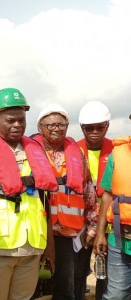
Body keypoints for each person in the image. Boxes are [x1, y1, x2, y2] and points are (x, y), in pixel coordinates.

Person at [0, 88, 58, 300]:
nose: (17, 125)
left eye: (21, 120)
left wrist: (50, 246)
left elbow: (45, 201)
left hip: (32, 246)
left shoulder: (35, 149)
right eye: (11, 120)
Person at [32, 103, 98, 300]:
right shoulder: (30, 153)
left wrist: (92, 227)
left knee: (65, 287)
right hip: (37, 230)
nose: (56, 128)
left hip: (68, 233)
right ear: (40, 127)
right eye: (50, 124)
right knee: (32, 287)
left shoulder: (77, 153)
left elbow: (89, 192)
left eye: (62, 124)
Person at [78, 101, 112, 300]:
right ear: (82, 127)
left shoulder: (117, 149)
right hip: (80, 222)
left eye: (100, 127)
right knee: (80, 271)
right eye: (89, 128)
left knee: (105, 273)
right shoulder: (73, 150)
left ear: (107, 126)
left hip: (108, 221)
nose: (94, 132)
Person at [94, 132, 131, 300]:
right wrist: (100, 233)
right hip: (119, 238)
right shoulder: (118, 154)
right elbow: (107, 195)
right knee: (116, 294)